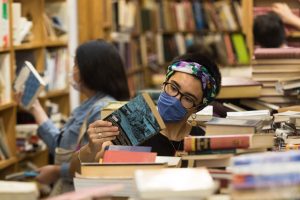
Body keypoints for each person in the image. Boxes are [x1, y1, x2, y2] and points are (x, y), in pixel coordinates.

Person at [69, 52, 221, 174]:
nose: (175, 99)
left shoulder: (200, 140)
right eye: (173, 87)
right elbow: (74, 170)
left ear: (198, 107)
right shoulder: (135, 120)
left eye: (188, 98)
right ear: (164, 84)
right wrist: (91, 149)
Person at [22, 40, 130, 193]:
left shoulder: (101, 109)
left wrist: (57, 171)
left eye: (75, 64)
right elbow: (62, 147)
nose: (72, 70)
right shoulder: (89, 105)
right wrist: (35, 107)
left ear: (89, 70)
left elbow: (91, 163)